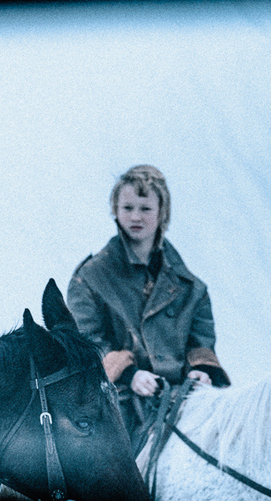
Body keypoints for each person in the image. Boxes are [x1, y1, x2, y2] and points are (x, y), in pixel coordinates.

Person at [66, 165, 230, 439]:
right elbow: (86, 343)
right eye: (127, 208)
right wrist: (129, 374)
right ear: (115, 210)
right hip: (117, 402)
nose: (135, 216)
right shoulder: (91, 278)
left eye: (145, 208)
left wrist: (201, 371)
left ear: (162, 212)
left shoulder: (192, 288)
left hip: (181, 399)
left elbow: (200, 344)